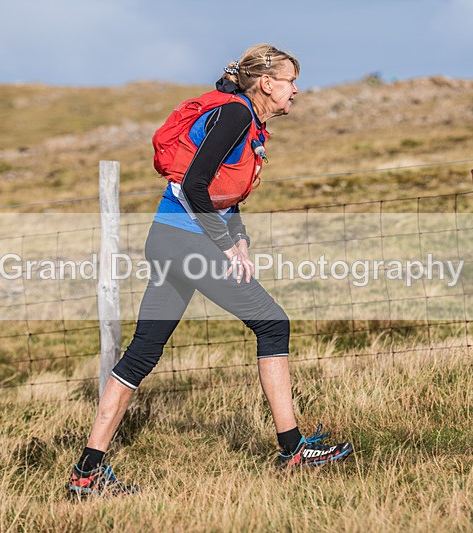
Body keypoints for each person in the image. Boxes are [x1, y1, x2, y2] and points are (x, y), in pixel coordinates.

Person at [67, 44, 353, 498]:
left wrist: (238, 239)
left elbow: (223, 193)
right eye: (290, 81)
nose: (297, 90)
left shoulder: (246, 121)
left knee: (142, 355)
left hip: (170, 238)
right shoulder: (237, 116)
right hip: (186, 242)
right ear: (266, 83)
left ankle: (86, 474)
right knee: (274, 323)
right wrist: (224, 245)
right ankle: (293, 449)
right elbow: (195, 184)